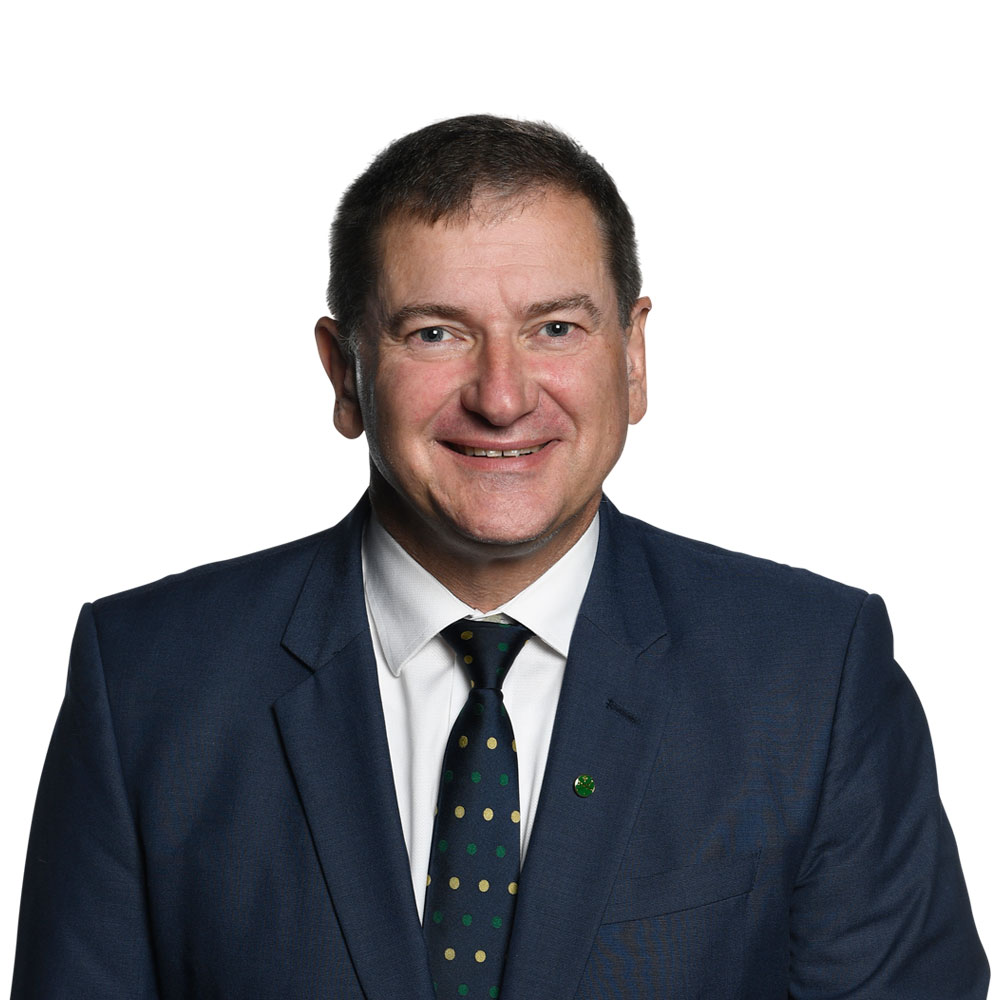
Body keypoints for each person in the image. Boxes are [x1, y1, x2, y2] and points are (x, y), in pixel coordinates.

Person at [12, 115, 988, 998]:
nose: (503, 395)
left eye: (554, 328)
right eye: (435, 333)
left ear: (633, 356)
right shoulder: (145, 683)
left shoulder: (811, 677)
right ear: (345, 373)